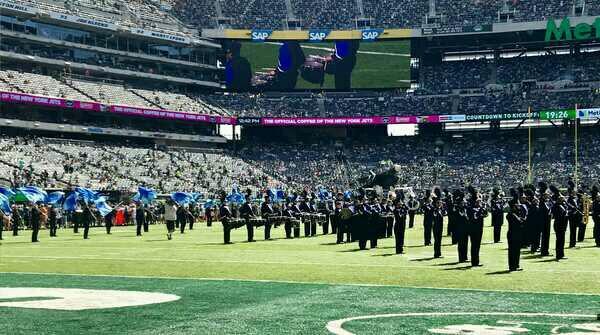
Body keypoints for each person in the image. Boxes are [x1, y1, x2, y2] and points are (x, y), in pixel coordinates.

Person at [507, 201, 525, 272]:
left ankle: (516, 265)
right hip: (513, 234)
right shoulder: (511, 214)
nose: (519, 206)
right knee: (513, 251)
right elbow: (519, 222)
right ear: (513, 206)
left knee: (516, 251)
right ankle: (512, 266)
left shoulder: (515, 213)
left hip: (516, 234)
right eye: (517, 205)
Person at [553, 192, 569, 261]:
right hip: (559, 224)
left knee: (562, 240)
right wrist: (565, 214)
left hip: (563, 225)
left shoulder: (562, 205)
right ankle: (558, 255)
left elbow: (565, 211)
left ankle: (561, 254)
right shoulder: (556, 206)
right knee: (559, 240)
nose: (563, 199)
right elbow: (559, 215)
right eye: (562, 198)